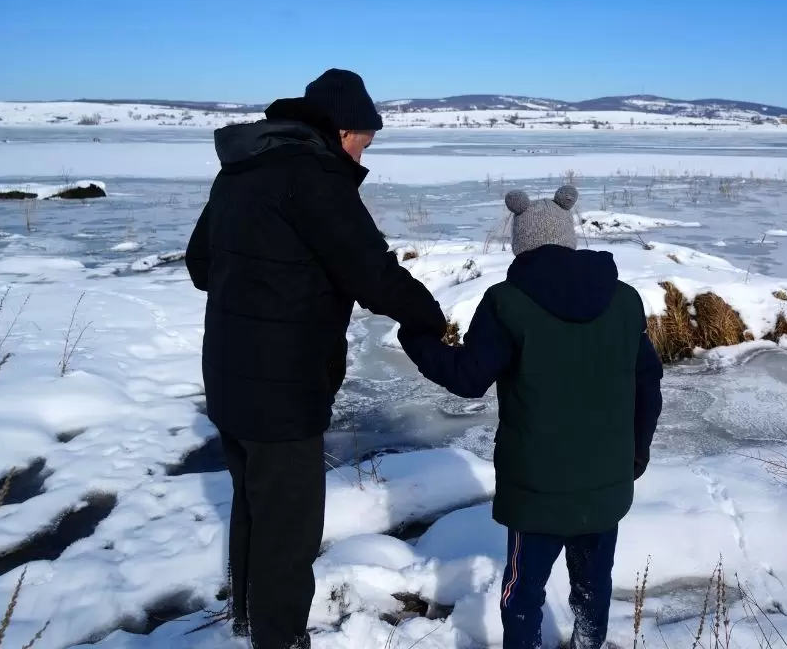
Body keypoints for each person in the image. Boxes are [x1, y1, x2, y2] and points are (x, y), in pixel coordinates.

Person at [185, 69, 447, 649]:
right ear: (342, 129)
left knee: (254, 507)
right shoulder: (318, 178)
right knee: (289, 529)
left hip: (228, 376)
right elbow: (373, 273)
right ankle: (278, 640)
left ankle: (248, 622)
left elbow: (201, 264)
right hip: (283, 388)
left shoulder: (243, 168)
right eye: (363, 143)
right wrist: (431, 320)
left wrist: (267, 278)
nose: (362, 156)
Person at [399, 185, 664, 649]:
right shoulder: (624, 300)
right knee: (593, 586)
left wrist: (417, 339)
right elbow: (648, 385)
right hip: (606, 481)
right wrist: (636, 454)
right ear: (568, 236)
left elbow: (468, 378)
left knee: (523, 593)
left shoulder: (506, 302)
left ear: (520, 243)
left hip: (537, 488)